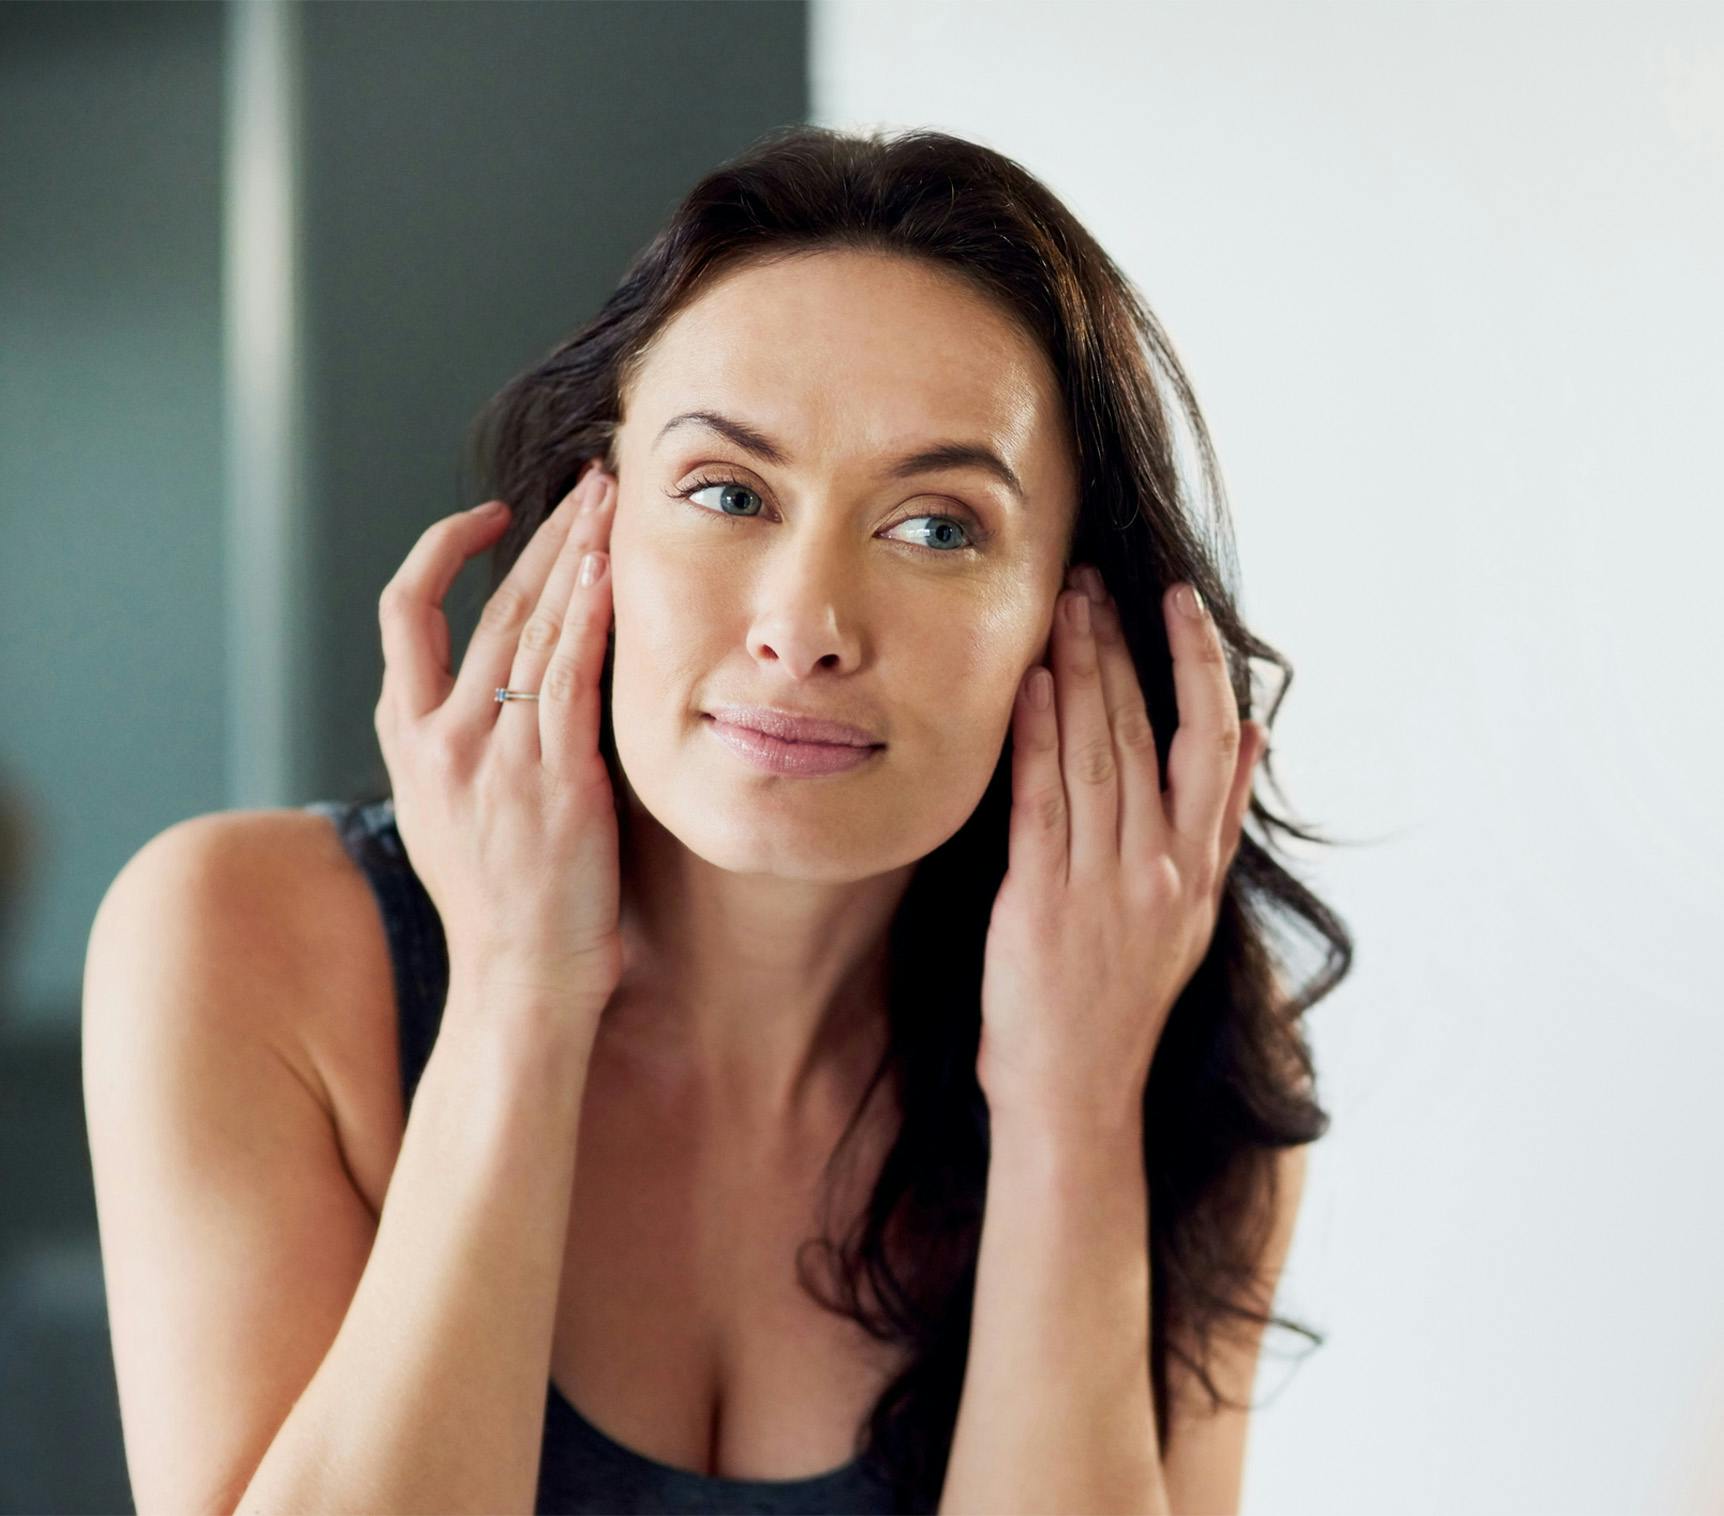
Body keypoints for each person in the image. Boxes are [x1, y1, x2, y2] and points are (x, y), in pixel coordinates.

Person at [83, 124, 1344, 1516]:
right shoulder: (240, 941)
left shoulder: (1187, 1053)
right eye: (727, 493)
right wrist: (518, 995)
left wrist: (1071, 1108)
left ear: (1067, 615)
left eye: (937, 528)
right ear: (592, 525)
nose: (803, 628)